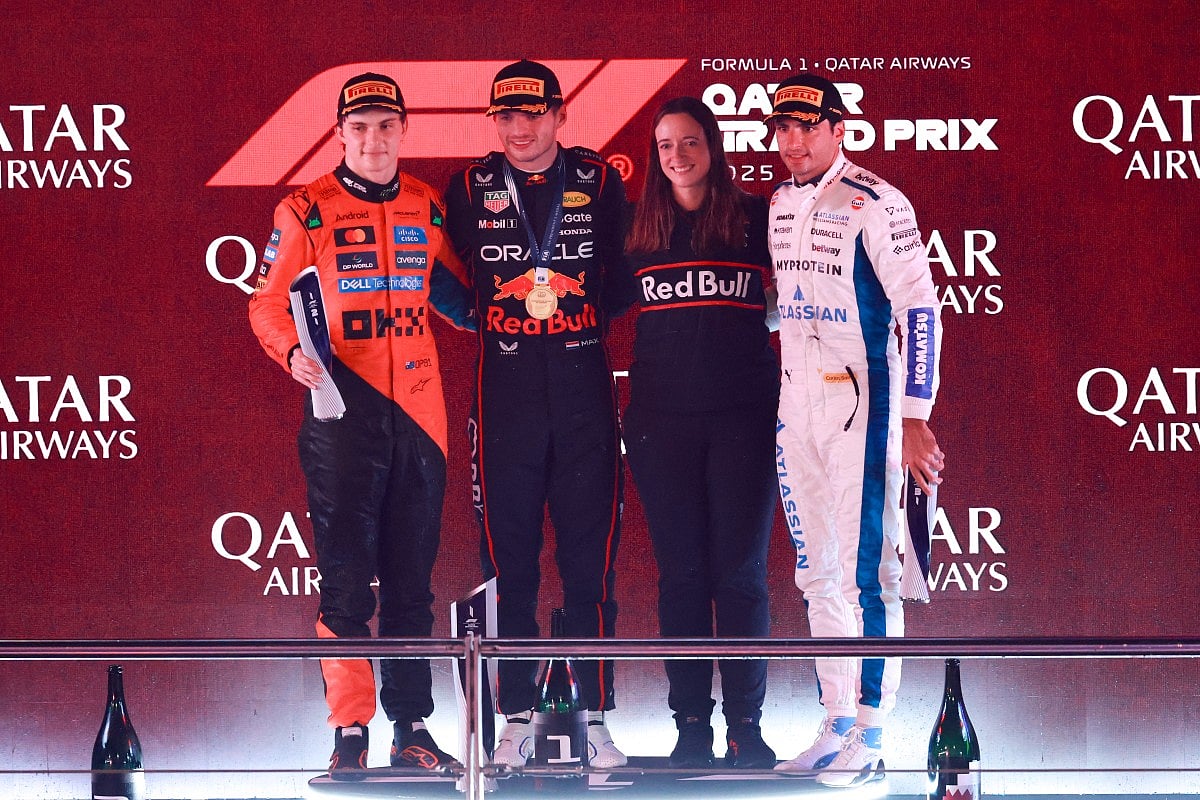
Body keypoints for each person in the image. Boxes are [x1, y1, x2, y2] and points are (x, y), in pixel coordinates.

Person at [248, 72, 475, 780]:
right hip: (341, 411)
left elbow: (465, 300)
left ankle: (413, 729)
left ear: (404, 130)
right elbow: (266, 303)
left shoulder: (428, 207)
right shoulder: (306, 210)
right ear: (340, 135)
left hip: (422, 416)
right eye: (359, 128)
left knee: (412, 584)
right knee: (346, 583)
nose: (373, 140)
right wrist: (290, 351)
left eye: (385, 126)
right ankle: (350, 731)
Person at [443, 59, 628, 769]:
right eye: (505, 116)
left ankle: (599, 717)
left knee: (591, 565)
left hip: (583, 379)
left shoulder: (600, 179)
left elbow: (630, 267)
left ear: (559, 113)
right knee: (507, 564)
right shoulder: (469, 185)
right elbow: (426, 262)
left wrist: (586, 318)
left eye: (532, 113)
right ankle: (515, 718)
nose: (518, 128)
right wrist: (478, 317)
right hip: (507, 388)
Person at [765, 74, 946, 787]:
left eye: (809, 126)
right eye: (783, 128)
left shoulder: (876, 199)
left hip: (862, 402)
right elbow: (788, 303)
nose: (794, 141)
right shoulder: (779, 204)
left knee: (870, 573)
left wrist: (916, 414)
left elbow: (922, 309)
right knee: (816, 573)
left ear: (840, 130)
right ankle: (838, 718)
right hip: (795, 402)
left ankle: (872, 733)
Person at [622, 97, 779, 770]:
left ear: (712, 146)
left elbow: (796, 299)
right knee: (681, 578)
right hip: (661, 424)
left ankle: (746, 724)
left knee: (740, 576)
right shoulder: (634, 228)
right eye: (664, 145)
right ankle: (690, 725)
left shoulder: (754, 217)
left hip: (744, 416)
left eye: (689, 142)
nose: (677, 155)